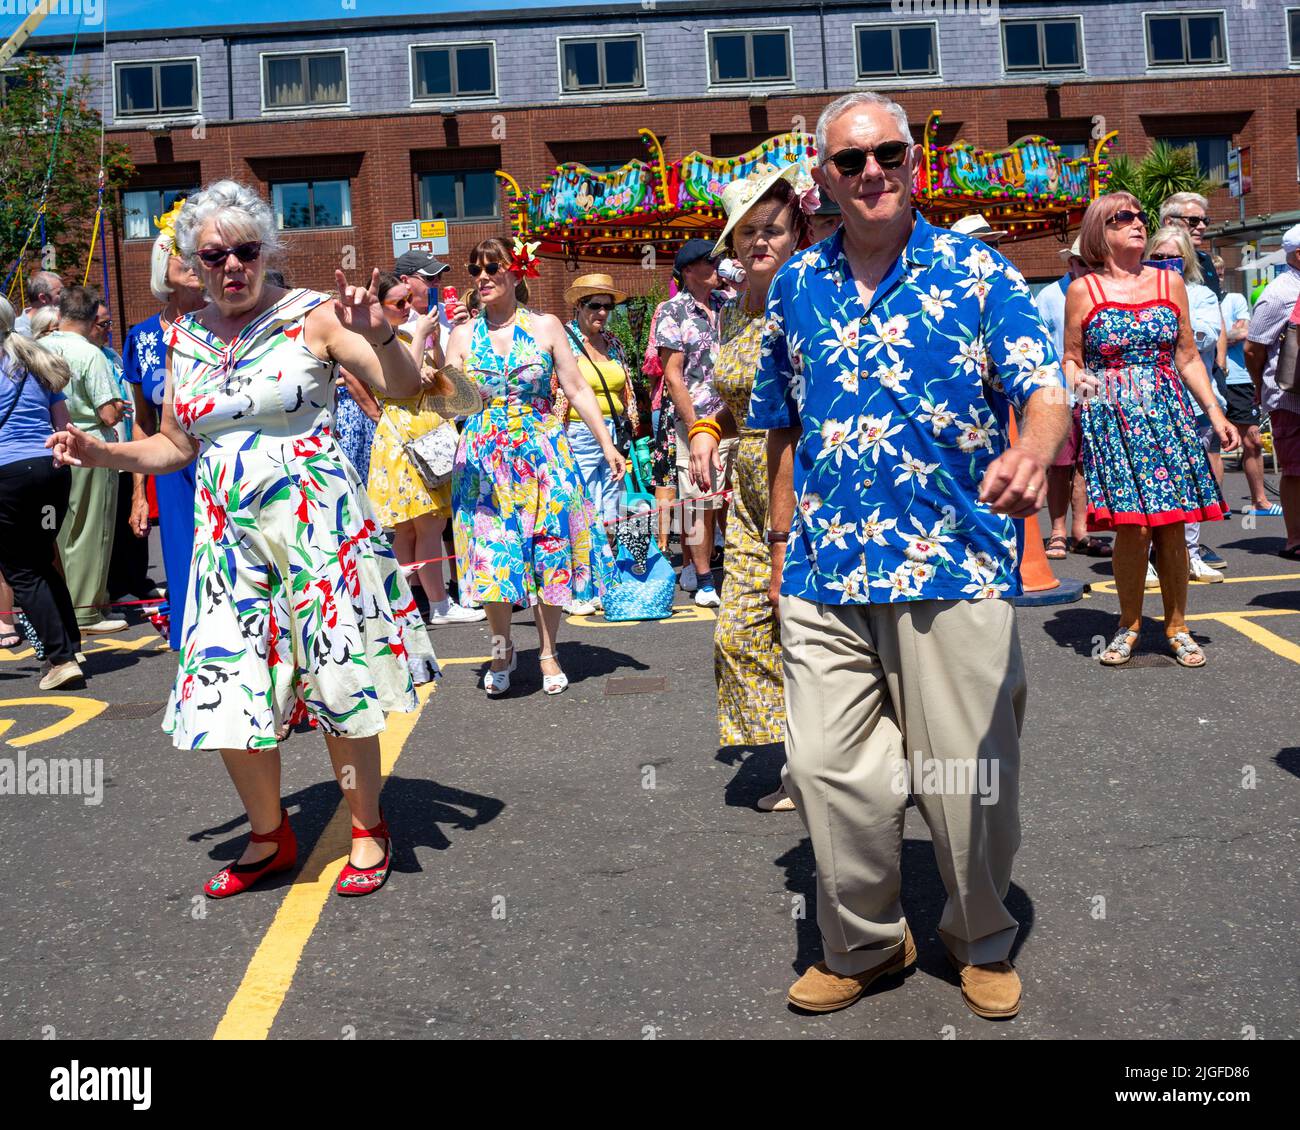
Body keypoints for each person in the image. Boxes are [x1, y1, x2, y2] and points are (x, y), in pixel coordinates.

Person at [751, 91, 1071, 1019]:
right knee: (822, 768)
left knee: (964, 781)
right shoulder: (797, 287)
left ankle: (979, 934)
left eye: (886, 153)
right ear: (824, 177)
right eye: (849, 161)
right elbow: (779, 429)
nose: (871, 173)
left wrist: (1032, 448)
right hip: (822, 569)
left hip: (951, 564)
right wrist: (778, 548)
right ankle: (864, 945)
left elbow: (1043, 386)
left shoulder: (978, 272)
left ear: (912, 160)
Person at [47, 179, 440, 900]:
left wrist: (380, 330)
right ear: (193, 265)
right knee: (227, 686)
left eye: (246, 251)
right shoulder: (181, 338)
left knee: (338, 680)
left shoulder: (312, 316)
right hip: (226, 538)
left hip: (318, 529)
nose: (232, 266)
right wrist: (105, 454)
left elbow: (405, 386)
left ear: (266, 253)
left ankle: (365, 826)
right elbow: (173, 445)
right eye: (214, 255)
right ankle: (270, 836)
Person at [688, 160, 814, 814]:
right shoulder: (733, 314)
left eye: (773, 231)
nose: (760, 243)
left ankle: (815, 769)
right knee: (739, 633)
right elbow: (732, 401)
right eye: (747, 235)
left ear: (797, 234)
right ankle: (810, 758)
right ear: (732, 246)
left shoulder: (815, 302)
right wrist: (709, 427)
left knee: (807, 633)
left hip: (811, 489)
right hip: (746, 495)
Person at [444, 236, 623, 697]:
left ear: (515, 270)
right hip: (485, 461)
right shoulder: (462, 336)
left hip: (544, 454)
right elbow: (454, 406)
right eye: (475, 270)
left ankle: (548, 651)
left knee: (550, 554)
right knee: (494, 559)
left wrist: (607, 444)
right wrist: (434, 366)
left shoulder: (545, 327)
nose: (482, 278)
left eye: (492, 268)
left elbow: (577, 388)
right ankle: (502, 649)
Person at [1066, 193, 1237, 668]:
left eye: (1141, 216)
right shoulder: (1084, 291)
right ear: (1102, 230)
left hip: (1166, 413)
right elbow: (1072, 356)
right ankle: (1129, 624)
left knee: (1172, 526)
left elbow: (1185, 355)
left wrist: (1216, 414)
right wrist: (1076, 378)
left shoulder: (1169, 283)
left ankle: (1178, 626)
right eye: (1125, 218)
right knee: (1133, 527)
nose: (1138, 223)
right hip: (1114, 417)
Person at [366, 273, 483, 627]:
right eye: (399, 303)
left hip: (420, 430)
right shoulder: (379, 340)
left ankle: (407, 607)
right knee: (427, 524)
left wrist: (431, 341)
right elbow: (406, 382)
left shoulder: (402, 334)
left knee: (412, 529)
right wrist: (419, 335)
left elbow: (440, 378)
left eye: (408, 301)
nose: (408, 308)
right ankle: (440, 604)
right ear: (379, 307)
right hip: (406, 436)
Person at [123, 201, 207, 650]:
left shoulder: (229, 323)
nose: (194, 263)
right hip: (173, 472)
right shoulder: (143, 337)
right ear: (162, 262)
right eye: (184, 253)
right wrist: (140, 492)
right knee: (182, 559)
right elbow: (143, 421)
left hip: (225, 457)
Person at [0, 296, 83, 689]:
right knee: (42, 559)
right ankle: (70, 644)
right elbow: (62, 424)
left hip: (8, 474)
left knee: (20, 569)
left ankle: (59, 658)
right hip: (50, 469)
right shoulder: (36, 362)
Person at [40, 286, 131, 636]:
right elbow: (108, 413)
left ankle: (66, 605)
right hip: (88, 445)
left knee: (61, 531)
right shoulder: (90, 354)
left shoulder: (39, 347)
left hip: (49, 446)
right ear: (93, 317)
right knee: (93, 530)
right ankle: (88, 611)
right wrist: (121, 406)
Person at [1146, 224, 1229, 583]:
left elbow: (1207, 336)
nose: (1165, 263)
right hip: (1147, 405)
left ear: (1187, 260)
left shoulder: (1201, 295)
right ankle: (1149, 559)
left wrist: (1175, 319)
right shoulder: (1135, 292)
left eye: (1173, 258)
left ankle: (1190, 556)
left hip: (1193, 404)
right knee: (1149, 483)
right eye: (1158, 257)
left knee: (1192, 483)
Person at [554, 273, 642, 617]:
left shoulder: (614, 343)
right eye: (595, 306)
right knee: (581, 511)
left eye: (608, 307)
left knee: (610, 512)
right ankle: (578, 589)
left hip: (615, 435)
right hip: (577, 432)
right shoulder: (564, 341)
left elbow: (626, 390)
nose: (603, 313)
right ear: (579, 306)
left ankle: (604, 586)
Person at [655, 239, 733, 606]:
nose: (719, 264)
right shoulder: (672, 311)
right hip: (696, 421)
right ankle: (703, 580)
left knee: (734, 498)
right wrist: (697, 427)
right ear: (689, 271)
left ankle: (736, 569)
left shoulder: (730, 301)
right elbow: (673, 377)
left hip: (734, 417)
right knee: (700, 499)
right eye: (710, 261)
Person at [1036, 238, 1109, 559]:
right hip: (1057, 391)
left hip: (1096, 391)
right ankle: (1056, 532)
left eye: (1092, 263)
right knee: (1060, 466)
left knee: (1085, 466)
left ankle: (1080, 531)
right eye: (1081, 262)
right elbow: (1037, 344)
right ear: (1070, 264)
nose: (1086, 269)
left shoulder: (1103, 293)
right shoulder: (1050, 296)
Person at [91, 297, 157, 603]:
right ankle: (116, 585)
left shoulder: (112, 355)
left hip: (130, 441)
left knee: (135, 515)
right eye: (103, 324)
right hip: (106, 449)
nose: (108, 329)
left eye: (109, 323)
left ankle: (137, 579)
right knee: (114, 523)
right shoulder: (88, 357)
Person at [1244, 222, 1300, 560]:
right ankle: (1295, 539)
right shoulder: (1278, 292)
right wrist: (1259, 386)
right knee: (1295, 470)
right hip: (1290, 397)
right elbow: (1254, 348)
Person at [1218, 263, 1277, 517]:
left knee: (1252, 440)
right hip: (1212, 378)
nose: (1218, 276)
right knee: (1211, 443)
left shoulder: (1235, 298)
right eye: (1213, 271)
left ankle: (1259, 501)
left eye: (1221, 272)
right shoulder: (1198, 297)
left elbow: (1245, 332)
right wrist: (1227, 335)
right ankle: (1215, 505)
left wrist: (1219, 336)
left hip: (1239, 380)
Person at [1161, 192, 1221, 298]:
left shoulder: (1205, 260)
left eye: (1205, 221)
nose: (1202, 226)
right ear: (1169, 222)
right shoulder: (1151, 260)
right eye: (1194, 220)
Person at [14, 271, 63, 337]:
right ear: (43, 298)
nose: (64, 296)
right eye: (59, 293)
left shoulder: (64, 324)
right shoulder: (16, 331)